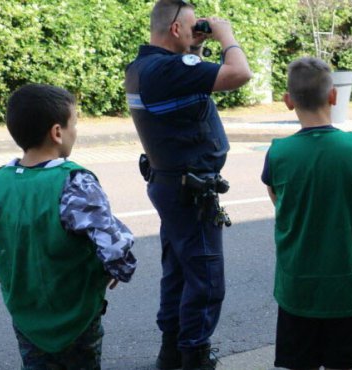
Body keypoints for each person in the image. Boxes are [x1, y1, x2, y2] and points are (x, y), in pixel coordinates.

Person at [0, 84, 137, 369]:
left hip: (26, 315)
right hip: (76, 314)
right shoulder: (75, 183)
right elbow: (114, 247)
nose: (75, 131)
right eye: (74, 124)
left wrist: (3, 269)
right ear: (57, 132)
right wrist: (117, 269)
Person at [124, 1, 252, 369]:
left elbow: (191, 84)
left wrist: (194, 45)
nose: (201, 29)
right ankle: (195, 355)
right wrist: (224, 32)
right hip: (189, 192)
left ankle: (172, 352)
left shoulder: (144, 67)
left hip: (172, 184)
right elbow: (239, 72)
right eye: (193, 25)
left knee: (179, 272)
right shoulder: (167, 69)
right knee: (207, 280)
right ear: (176, 29)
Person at [261, 57, 352, 370]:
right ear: (333, 96)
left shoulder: (277, 154)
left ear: (288, 102)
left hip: (297, 288)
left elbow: (279, 201)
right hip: (348, 287)